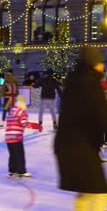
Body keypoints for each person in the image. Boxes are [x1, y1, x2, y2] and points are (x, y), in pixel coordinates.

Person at [55, 47, 107, 210]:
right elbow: (101, 115)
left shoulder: (74, 82)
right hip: (81, 146)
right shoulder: (90, 84)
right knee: (98, 191)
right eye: (100, 62)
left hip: (67, 145)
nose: (103, 66)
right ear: (94, 64)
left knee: (87, 190)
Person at [6, 95, 42, 178]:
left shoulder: (12, 110)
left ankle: (12, 170)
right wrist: (36, 125)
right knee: (19, 154)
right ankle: (21, 171)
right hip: (16, 137)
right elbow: (25, 123)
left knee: (13, 154)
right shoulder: (21, 111)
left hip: (8, 137)